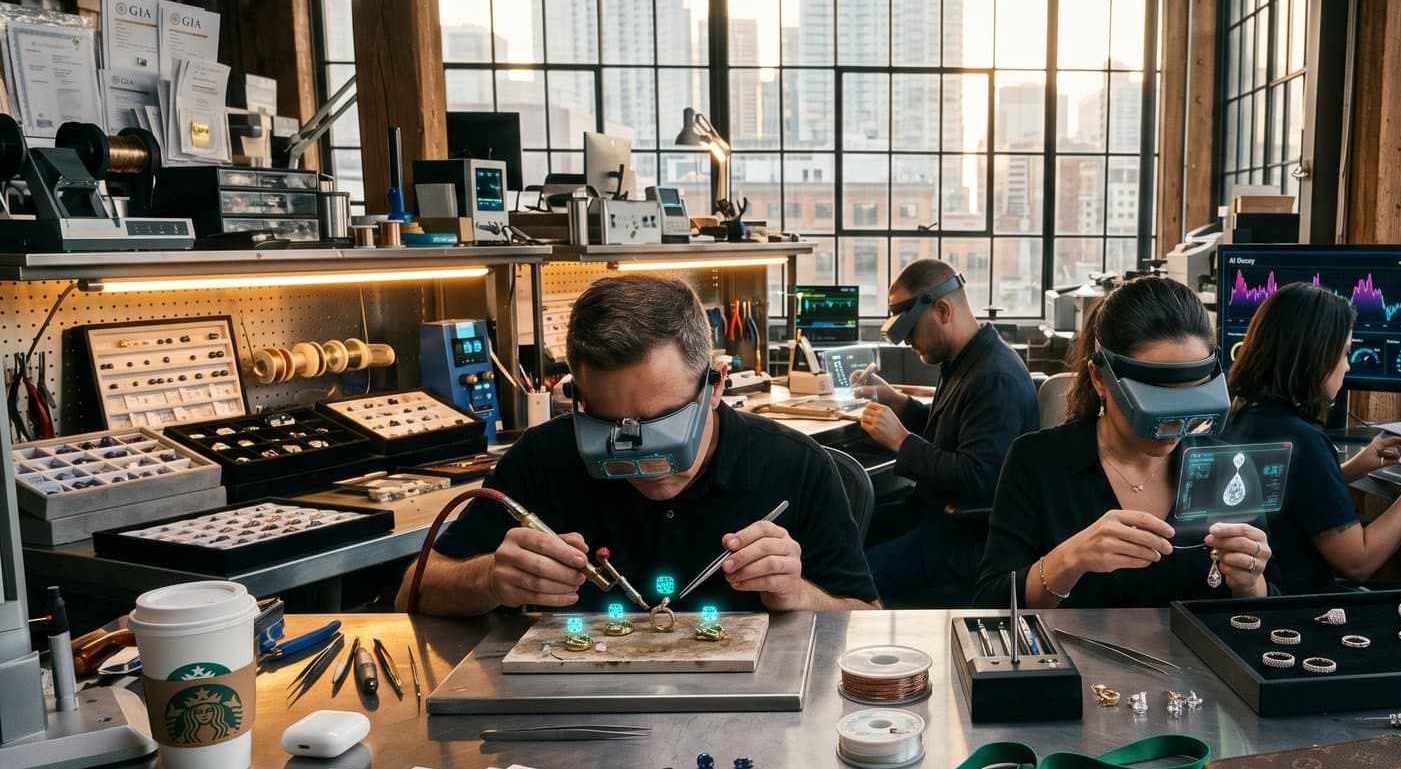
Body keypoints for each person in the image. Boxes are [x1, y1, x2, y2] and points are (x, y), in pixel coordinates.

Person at [407, 274, 879, 616]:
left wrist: (799, 595)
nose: (644, 460)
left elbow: (866, 617)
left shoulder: (795, 466)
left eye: (663, 426)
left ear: (715, 385)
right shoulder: (543, 458)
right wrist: (489, 579)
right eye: (609, 429)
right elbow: (415, 588)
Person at [974, 276, 1273, 607]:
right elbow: (991, 604)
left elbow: (1265, 609)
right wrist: (1070, 560)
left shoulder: (1229, 468)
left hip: (1196, 657)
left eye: (1191, 397)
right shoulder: (1037, 462)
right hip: (1074, 657)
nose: (1174, 422)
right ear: (1099, 378)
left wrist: (1250, 584)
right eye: (1156, 400)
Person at [1223, 280, 1401, 590]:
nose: (1347, 366)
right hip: (1294, 607)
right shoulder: (1304, 441)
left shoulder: (1241, 414)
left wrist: (1355, 467)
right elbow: (1359, 562)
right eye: (1344, 353)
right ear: (1314, 357)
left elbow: (1284, 499)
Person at [852, 260, 1038, 599]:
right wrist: (901, 405)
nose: (907, 341)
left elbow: (977, 477)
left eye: (911, 330)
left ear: (942, 309)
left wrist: (901, 441)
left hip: (966, 538)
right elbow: (953, 436)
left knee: (850, 579)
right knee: (842, 536)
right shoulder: (964, 361)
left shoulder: (995, 377)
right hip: (933, 517)